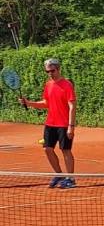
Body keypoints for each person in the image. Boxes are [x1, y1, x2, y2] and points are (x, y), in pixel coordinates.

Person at [19, 58, 78, 188]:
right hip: (50, 123)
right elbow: (46, 103)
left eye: (52, 70)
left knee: (66, 150)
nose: (50, 73)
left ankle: (71, 179)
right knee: (47, 149)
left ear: (58, 69)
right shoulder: (48, 85)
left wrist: (70, 126)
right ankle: (59, 174)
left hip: (64, 124)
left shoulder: (67, 85)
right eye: (48, 71)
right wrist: (28, 103)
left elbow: (72, 106)